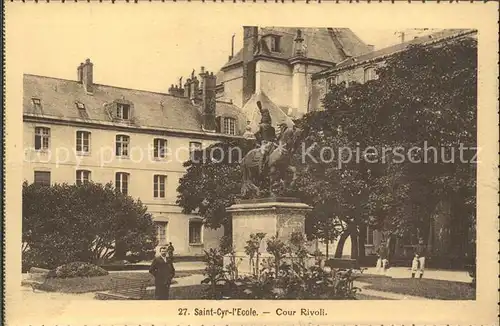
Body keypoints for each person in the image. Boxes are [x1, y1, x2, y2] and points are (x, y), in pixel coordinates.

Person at [255, 101, 276, 174]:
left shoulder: (261, 126)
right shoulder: (272, 128)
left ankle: (260, 169)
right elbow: (274, 137)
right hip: (271, 144)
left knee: (262, 155)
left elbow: (257, 134)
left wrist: (260, 141)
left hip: (265, 143)